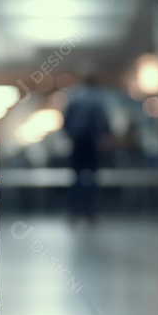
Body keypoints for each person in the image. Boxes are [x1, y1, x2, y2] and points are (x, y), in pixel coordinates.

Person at [61, 76, 112, 225]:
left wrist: (71, 136)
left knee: (75, 178)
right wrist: (105, 137)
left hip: (77, 143)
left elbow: (65, 122)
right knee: (91, 178)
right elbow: (103, 121)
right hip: (91, 142)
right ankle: (90, 213)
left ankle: (73, 212)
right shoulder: (97, 98)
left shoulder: (74, 97)